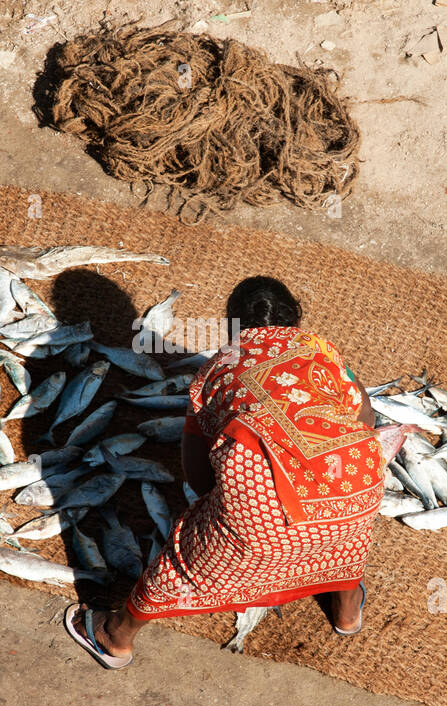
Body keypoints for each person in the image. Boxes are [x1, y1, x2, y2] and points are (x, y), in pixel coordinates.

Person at [65, 276, 388, 669]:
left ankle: (114, 636)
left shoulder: (215, 371)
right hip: (359, 485)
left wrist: (231, 504)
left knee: (184, 557)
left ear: (232, 326)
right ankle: (347, 615)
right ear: (295, 320)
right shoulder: (321, 349)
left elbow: (197, 475)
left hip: (262, 517)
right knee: (346, 540)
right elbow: (367, 416)